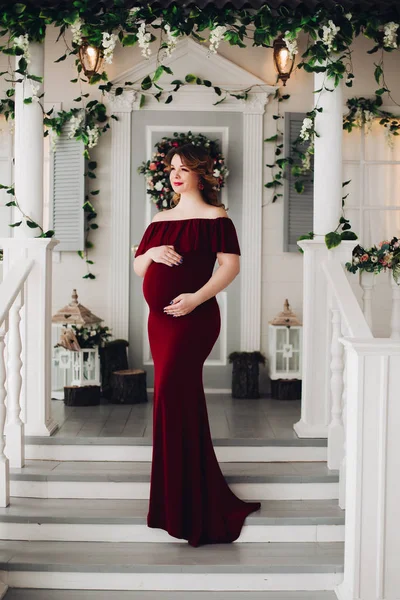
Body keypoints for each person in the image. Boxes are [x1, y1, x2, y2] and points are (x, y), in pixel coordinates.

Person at [133, 143, 261, 547]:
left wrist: (195, 298)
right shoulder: (160, 218)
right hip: (160, 321)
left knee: (172, 390)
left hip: (196, 318)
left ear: (201, 175)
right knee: (173, 397)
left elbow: (231, 266)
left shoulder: (215, 216)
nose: (175, 174)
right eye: (171, 168)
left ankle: (190, 500)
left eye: (184, 168)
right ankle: (178, 498)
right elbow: (139, 267)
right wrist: (152, 252)